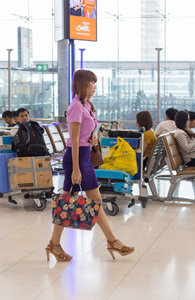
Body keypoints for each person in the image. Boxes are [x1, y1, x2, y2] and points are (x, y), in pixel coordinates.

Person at [47, 70, 134, 262]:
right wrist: (76, 169)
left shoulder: (86, 105)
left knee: (93, 201)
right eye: (92, 83)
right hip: (76, 159)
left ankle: (112, 241)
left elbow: (84, 136)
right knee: (67, 202)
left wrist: (93, 139)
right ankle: (54, 244)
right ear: (83, 85)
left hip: (85, 157)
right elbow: (75, 140)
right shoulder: (76, 107)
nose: (95, 86)